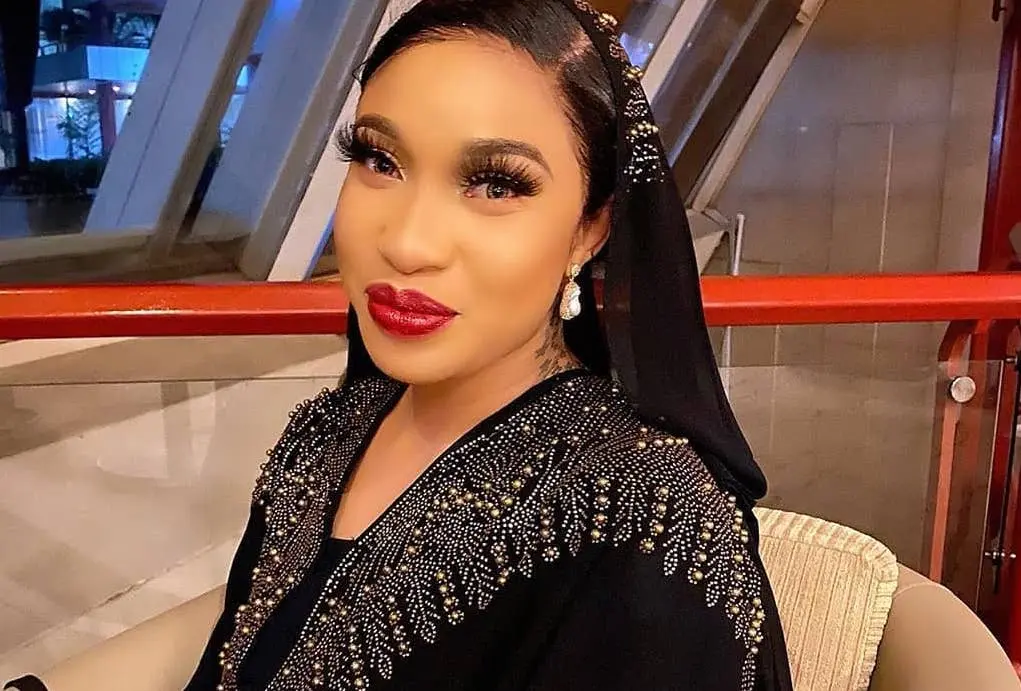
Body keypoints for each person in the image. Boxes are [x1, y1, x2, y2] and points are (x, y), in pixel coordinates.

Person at [5, 1, 793, 689]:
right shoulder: (327, 436)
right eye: (379, 161)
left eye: (495, 184)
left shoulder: (647, 517)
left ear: (591, 228)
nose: (408, 242)